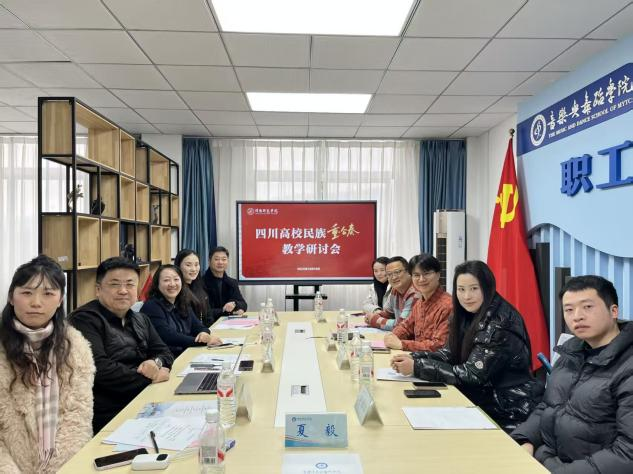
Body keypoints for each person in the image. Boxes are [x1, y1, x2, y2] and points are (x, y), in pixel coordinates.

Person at [391, 260, 543, 432]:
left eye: (474, 289)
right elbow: (448, 354)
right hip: (481, 399)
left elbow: (472, 374)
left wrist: (417, 367)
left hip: (509, 409)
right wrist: (413, 358)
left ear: (487, 287)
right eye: (461, 289)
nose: (467, 296)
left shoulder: (500, 323)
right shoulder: (466, 313)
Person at [511, 275, 633, 473]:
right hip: (547, 460)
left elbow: (628, 454)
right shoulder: (571, 350)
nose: (577, 316)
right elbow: (548, 406)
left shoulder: (627, 365)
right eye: (569, 309)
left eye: (587, 307)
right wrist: (525, 440)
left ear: (614, 311)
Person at [0, 255, 95, 473]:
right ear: (11, 297)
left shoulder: (76, 347)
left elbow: (78, 419)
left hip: (64, 466)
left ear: (60, 300)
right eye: (27, 293)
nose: (36, 302)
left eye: (48, 294)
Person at [69, 257, 174, 433]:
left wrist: (155, 363)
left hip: (144, 400)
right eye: (115, 284)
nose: (123, 291)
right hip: (109, 413)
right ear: (98, 289)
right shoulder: (84, 320)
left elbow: (165, 352)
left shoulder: (140, 319)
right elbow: (100, 369)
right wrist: (150, 377)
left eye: (130, 284)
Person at [142, 265, 222, 358]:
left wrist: (204, 334)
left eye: (176, 279)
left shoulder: (182, 303)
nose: (172, 284)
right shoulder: (151, 306)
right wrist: (201, 342)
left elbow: (199, 327)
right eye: (166, 280)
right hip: (164, 360)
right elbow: (168, 337)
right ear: (157, 284)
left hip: (185, 354)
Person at [384, 254, 451, 351]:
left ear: (438, 275)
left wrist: (402, 344)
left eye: (426, 274)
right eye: (416, 275)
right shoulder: (419, 303)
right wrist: (392, 336)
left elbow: (439, 345)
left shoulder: (447, 305)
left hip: (432, 359)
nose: (421, 279)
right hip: (417, 357)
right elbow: (405, 326)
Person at [366, 256, 417, 331]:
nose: (393, 277)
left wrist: (375, 320)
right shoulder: (395, 290)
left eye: (397, 272)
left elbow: (403, 325)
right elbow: (388, 313)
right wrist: (374, 315)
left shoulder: (415, 292)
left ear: (409, 272)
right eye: (389, 274)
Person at [202, 246, 247, 323]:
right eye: (216, 259)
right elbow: (203, 312)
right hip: (210, 325)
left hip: (230, 323)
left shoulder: (232, 282)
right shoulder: (201, 282)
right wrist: (225, 310)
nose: (220, 262)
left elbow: (244, 304)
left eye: (224, 259)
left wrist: (235, 304)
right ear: (209, 261)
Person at [174, 249, 214, 326]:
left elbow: (209, 316)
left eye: (196, 265)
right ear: (178, 266)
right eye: (188, 265)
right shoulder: (176, 291)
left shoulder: (200, 286)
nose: (193, 269)